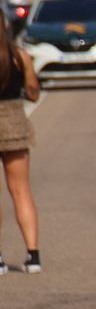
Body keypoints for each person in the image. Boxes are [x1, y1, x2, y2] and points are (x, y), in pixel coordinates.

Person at [0, 15, 42, 273]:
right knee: (21, 190)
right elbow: (33, 92)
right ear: (5, 26)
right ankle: (33, 255)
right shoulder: (19, 56)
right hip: (14, 123)